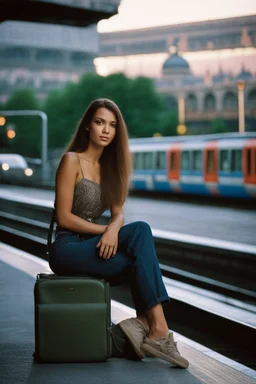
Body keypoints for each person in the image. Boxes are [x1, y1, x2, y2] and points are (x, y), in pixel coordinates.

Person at [49, 98, 189, 369]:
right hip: (67, 248)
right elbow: (64, 217)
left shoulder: (112, 169)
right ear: (88, 126)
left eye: (112, 125)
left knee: (138, 262)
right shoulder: (71, 160)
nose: (106, 130)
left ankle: (148, 329)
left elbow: (118, 212)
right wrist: (107, 230)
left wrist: (114, 227)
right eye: (100, 122)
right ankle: (157, 329)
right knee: (141, 232)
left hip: (93, 245)